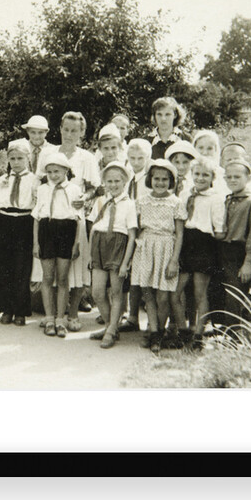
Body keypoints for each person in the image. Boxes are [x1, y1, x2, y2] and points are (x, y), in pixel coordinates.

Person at [36, 111, 101, 330]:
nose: (69, 134)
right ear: (60, 129)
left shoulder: (87, 157)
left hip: (74, 218)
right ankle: (52, 315)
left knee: (75, 268)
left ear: (82, 133)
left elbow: (95, 188)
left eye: (75, 130)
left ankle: (72, 314)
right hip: (51, 218)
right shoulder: (49, 152)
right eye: (66, 129)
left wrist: (85, 198)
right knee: (52, 272)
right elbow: (41, 182)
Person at [130, 159, 186, 354]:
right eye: (156, 179)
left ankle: (160, 331)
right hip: (146, 248)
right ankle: (153, 333)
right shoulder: (142, 201)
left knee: (163, 297)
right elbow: (136, 229)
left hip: (166, 250)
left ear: (171, 181)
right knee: (147, 295)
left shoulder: (176, 202)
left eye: (165, 179)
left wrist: (174, 260)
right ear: (150, 179)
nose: (160, 183)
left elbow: (179, 234)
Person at [173, 157, 226, 350]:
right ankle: (183, 330)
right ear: (191, 174)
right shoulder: (185, 194)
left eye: (205, 175)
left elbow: (219, 229)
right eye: (197, 174)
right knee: (176, 292)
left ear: (212, 177)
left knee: (199, 292)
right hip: (186, 242)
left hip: (204, 244)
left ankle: (198, 335)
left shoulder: (215, 198)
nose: (200, 178)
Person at [87, 162, 138, 349]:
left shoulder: (130, 205)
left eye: (117, 181)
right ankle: (110, 325)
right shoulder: (101, 202)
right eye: (109, 181)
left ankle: (111, 330)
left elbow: (132, 235)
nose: (113, 184)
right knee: (98, 292)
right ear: (104, 183)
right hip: (99, 245)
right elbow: (93, 227)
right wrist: (91, 254)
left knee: (116, 292)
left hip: (118, 245)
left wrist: (126, 263)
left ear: (124, 182)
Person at [32, 152, 82, 338]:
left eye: (57, 171)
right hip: (46, 230)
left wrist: (76, 243)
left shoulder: (75, 190)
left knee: (62, 279)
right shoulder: (43, 189)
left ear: (66, 171)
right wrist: (36, 243)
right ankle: (49, 318)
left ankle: (61, 319)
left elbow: (78, 218)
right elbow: (37, 217)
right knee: (47, 277)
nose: (53, 175)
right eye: (50, 172)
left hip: (66, 231)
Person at [0, 139, 40, 326]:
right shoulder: (2, 179)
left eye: (20, 158)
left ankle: (20, 311)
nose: (16, 162)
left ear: (28, 158)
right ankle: (6, 309)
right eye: (12, 158)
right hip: (4, 221)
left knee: (21, 267)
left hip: (24, 221)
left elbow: (37, 204)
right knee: (3, 267)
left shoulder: (35, 180)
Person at [218, 158, 251, 329]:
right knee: (222, 292)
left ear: (248, 178)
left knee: (234, 296)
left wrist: (249, 261)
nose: (232, 180)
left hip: (240, 252)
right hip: (224, 250)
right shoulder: (228, 199)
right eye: (228, 177)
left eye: (237, 177)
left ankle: (234, 336)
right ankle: (223, 330)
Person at [118, 138, 152, 333]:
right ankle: (130, 316)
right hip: (129, 227)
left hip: (144, 229)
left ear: (148, 158)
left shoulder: (149, 179)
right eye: (132, 158)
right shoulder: (128, 176)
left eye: (141, 158)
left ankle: (149, 320)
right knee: (130, 275)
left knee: (143, 275)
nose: (136, 162)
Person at [193, 130, 228, 195]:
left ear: (216, 150)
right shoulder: (189, 173)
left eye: (209, 148)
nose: (205, 152)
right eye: (201, 148)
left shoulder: (222, 174)